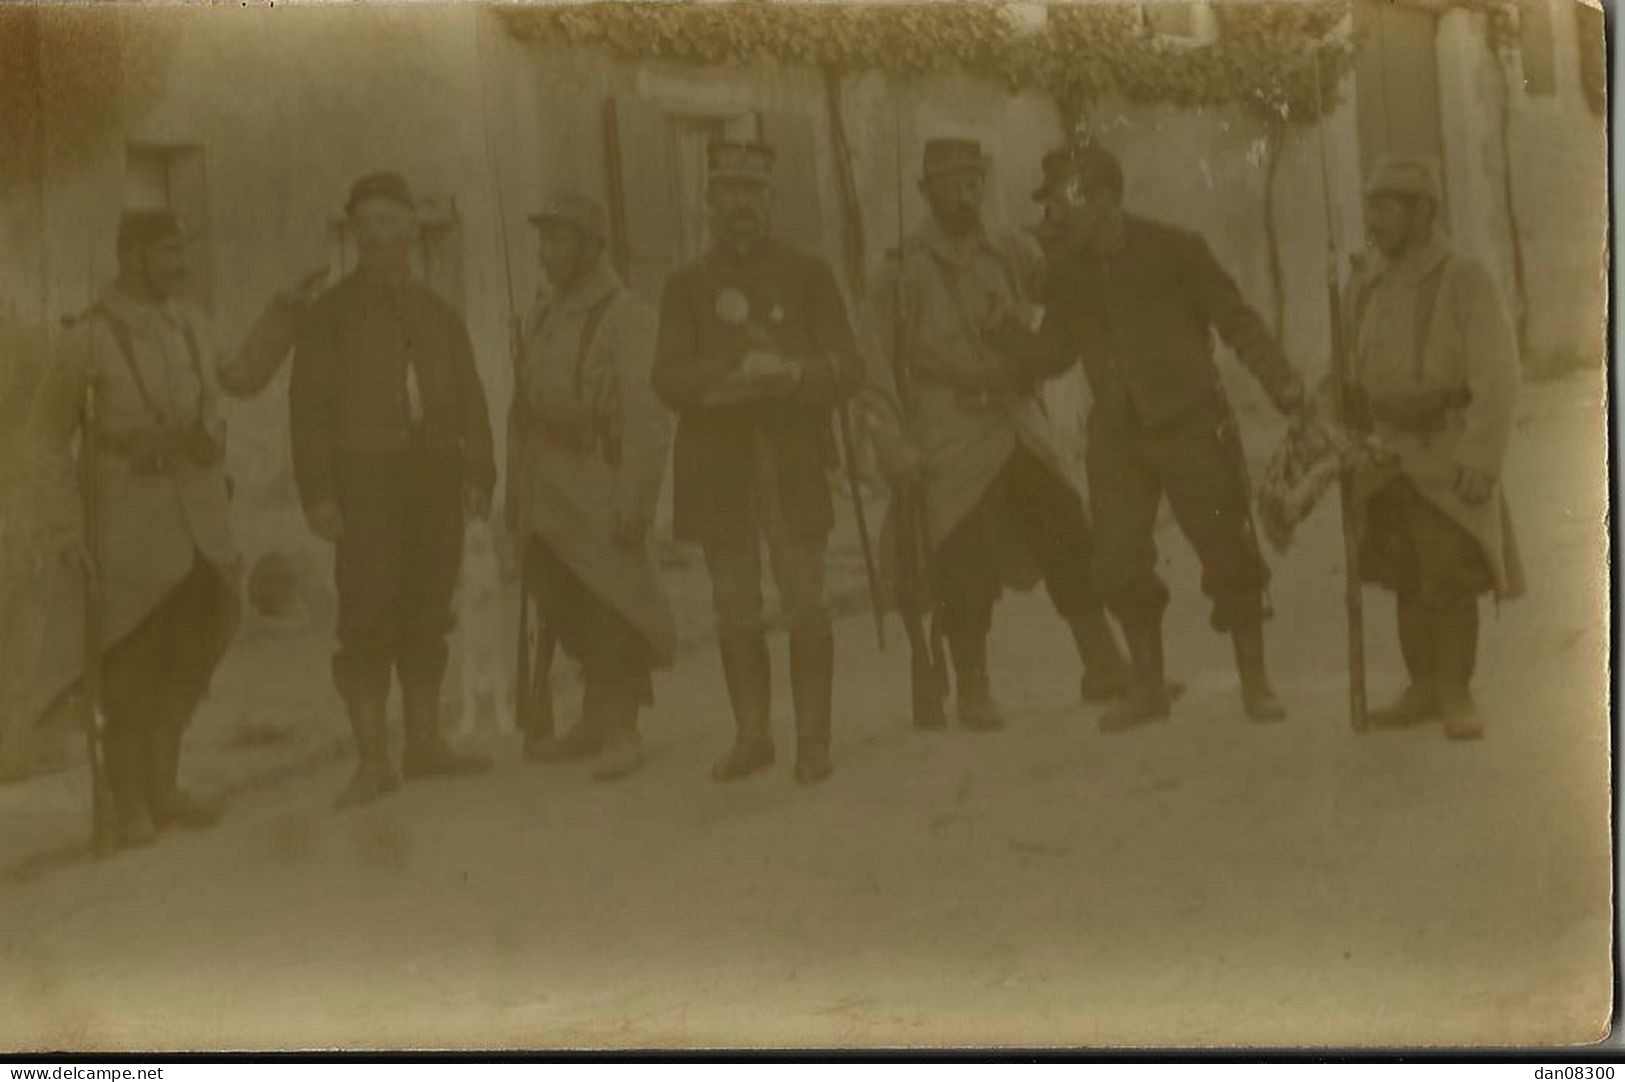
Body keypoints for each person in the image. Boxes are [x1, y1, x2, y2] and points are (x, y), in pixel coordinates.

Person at [991, 141, 1306, 731]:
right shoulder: (1068, 275)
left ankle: (1255, 682)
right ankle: (1148, 686)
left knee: (1228, 550)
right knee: (1113, 560)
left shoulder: (1175, 251)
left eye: (1063, 201)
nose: (1052, 216)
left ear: (1103, 197)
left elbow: (1235, 320)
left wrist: (1280, 381)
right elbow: (1055, 355)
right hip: (1117, 437)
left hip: (1190, 425)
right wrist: (1004, 334)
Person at [862, 137, 1129, 731]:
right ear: (925, 191)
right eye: (950, 181)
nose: (965, 192)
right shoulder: (898, 272)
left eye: (973, 180)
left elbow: (1059, 291)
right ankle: (973, 686)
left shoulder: (1010, 249)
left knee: (1066, 526)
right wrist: (894, 448)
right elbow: (875, 372)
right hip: (947, 430)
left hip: (1015, 418)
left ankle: (1103, 661)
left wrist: (1073, 249)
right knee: (961, 554)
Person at [23, 209, 241, 846]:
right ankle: (128, 803)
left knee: (191, 650)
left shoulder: (191, 323)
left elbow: (237, 379)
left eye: (182, 252)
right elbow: (41, 440)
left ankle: (164, 787)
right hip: (127, 526)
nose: (181, 266)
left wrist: (284, 315)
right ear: (132, 257)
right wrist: (67, 532)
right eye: (168, 254)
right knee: (132, 665)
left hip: (198, 523)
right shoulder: (87, 339)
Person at [651, 141, 865, 784]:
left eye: (753, 190)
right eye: (728, 190)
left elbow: (850, 367)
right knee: (734, 605)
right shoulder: (686, 286)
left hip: (790, 455)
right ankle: (753, 737)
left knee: (805, 601)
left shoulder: (808, 275)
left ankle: (815, 742)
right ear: (708, 201)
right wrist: (733, 362)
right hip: (718, 464)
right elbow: (666, 379)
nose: (740, 203)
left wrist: (797, 373)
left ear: (771, 199)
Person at [289, 171, 496, 809]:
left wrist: (480, 477)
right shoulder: (330, 315)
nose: (375, 236)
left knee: (429, 608)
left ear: (411, 230)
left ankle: (426, 744)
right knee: (367, 614)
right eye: (364, 225)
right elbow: (308, 409)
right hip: (365, 482)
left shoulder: (438, 313)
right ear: (353, 235)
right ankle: (374, 758)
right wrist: (320, 494)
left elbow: (470, 399)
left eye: (387, 222)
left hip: (433, 477)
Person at [1342, 156, 1524, 740]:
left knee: (1448, 576)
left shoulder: (1464, 278)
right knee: (1403, 574)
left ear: (1424, 212)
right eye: (1371, 206)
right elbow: (1350, 371)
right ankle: (1421, 686)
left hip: (1445, 457)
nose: (1375, 220)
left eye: (1388, 206)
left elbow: (1498, 375)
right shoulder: (1368, 284)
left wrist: (1480, 457)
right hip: (1384, 458)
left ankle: (1455, 691)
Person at [505, 190, 676, 780]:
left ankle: (622, 728)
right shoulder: (544, 312)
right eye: (543, 241)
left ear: (590, 246)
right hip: (546, 494)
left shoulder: (628, 315)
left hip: (597, 487)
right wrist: (514, 497)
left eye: (558, 241)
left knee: (615, 606)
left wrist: (636, 502)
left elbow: (646, 416)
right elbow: (522, 408)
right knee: (567, 605)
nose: (546, 253)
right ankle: (593, 721)